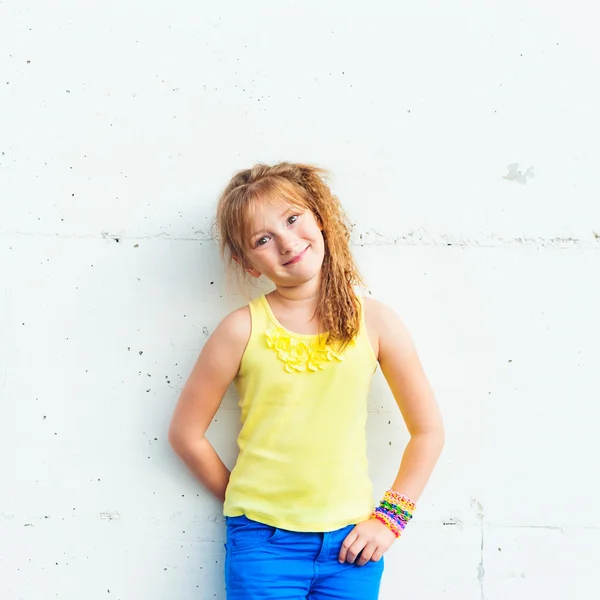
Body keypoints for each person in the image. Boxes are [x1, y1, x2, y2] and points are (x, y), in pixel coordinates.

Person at [168, 162, 445, 600]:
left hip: (353, 549)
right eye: (263, 239)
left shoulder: (375, 322)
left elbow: (428, 431)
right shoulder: (240, 330)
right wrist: (249, 504)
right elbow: (185, 434)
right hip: (263, 549)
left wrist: (390, 519)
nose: (287, 242)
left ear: (318, 216)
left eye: (293, 219)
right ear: (247, 262)